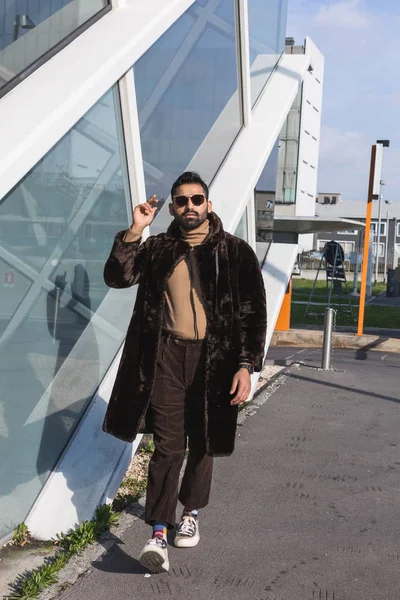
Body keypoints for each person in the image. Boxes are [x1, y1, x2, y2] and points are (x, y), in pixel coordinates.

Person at [102, 171, 267, 573]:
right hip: (166, 358)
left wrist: (246, 366)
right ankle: (158, 530)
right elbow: (117, 277)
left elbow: (253, 314)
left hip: (217, 361)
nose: (189, 206)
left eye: (196, 200)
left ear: (208, 205)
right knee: (168, 446)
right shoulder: (157, 247)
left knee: (204, 440)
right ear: (173, 208)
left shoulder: (235, 251)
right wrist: (135, 229)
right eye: (181, 201)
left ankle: (189, 511)